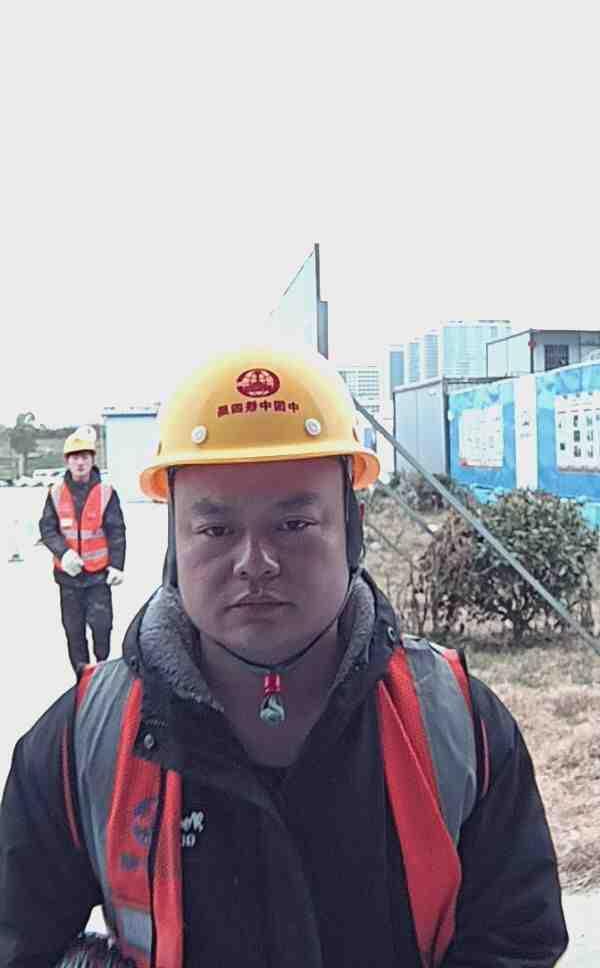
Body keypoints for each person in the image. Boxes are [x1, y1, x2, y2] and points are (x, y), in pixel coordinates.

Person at [1, 347, 568, 967]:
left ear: (351, 528)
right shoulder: (84, 740)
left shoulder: (455, 725)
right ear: (174, 543)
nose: (255, 563)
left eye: (293, 524)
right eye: (216, 530)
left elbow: (517, 936)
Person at [38, 425, 126, 674]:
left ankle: (101, 669)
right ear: (67, 461)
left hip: (98, 576)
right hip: (68, 577)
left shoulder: (106, 493)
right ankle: (82, 676)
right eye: (75, 457)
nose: (80, 463)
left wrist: (117, 565)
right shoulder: (55, 493)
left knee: (102, 626)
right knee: (73, 631)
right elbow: (47, 529)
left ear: (92, 460)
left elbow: (116, 531)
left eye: (85, 457)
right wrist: (63, 553)